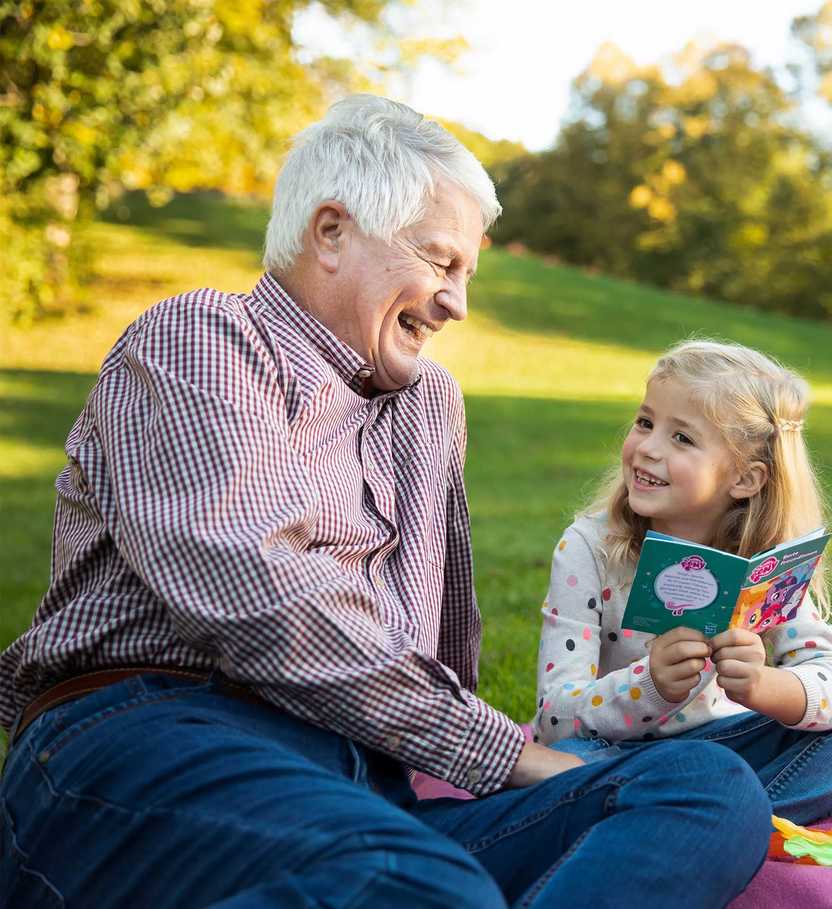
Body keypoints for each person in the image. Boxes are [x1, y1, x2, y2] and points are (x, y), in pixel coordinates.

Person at [0, 96, 772, 908]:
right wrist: (507, 755)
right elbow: (250, 589)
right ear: (331, 232)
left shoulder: (428, 403)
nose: (458, 303)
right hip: (153, 737)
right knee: (414, 883)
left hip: (363, 788)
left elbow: (439, 647)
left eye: (467, 274)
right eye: (441, 262)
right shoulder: (207, 338)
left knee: (706, 786)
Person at [534, 338, 832, 824]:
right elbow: (553, 720)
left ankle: (714, 822)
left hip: (731, 748)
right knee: (566, 766)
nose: (648, 448)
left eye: (683, 438)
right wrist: (650, 685)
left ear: (745, 479)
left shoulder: (764, 569)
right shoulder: (589, 549)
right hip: (624, 759)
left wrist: (764, 686)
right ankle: (773, 809)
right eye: (646, 422)